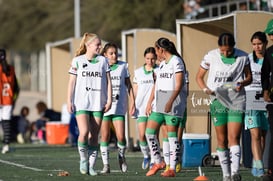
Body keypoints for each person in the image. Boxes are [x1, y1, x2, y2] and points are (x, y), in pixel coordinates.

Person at [196, 32, 252, 181]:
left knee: (234, 137)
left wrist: (242, 83)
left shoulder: (243, 57)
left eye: (228, 50)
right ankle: (226, 174)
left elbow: (249, 77)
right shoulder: (210, 56)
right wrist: (205, 89)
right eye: (222, 50)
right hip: (217, 99)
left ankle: (235, 173)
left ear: (234, 46)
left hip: (236, 99)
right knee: (222, 140)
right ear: (218, 47)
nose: (226, 52)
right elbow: (199, 77)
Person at [67, 33, 112, 176]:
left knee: (94, 136)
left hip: (98, 102)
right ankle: (83, 160)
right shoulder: (77, 61)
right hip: (81, 102)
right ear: (88, 45)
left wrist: (109, 100)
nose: (100, 47)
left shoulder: (103, 61)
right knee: (84, 132)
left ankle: (91, 167)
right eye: (97, 44)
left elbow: (109, 82)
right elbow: (72, 82)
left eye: (100, 44)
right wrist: (69, 100)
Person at [145, 37, 187, 177]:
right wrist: (150, 102)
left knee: (171, 136)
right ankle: (158, 161)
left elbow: (179, 84)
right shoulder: (162, 64)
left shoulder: (177, 61)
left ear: (161, 49)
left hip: (173, 104)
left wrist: (170, 101)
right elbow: (157, 85)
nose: (156, 54)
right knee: (149, 132)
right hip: (159, 105)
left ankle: (172, 168)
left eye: (156, 50)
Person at [99, 43, 135, 174]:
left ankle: (121, 157)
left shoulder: (123, 66)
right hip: (104, 107)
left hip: (118, 106)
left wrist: (133, 102)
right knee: (105, 136)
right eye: (111, 53)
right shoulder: (100, 67)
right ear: (105, 55)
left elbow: (129, 86)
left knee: (121, 137)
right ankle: (106, 165)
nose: (114, 55)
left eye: (115, 53)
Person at [244, 31, 268, 177]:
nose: (257, 47)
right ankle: (258, 164)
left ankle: (258, 160)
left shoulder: (269, 58)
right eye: (254, 44)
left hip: (266, 99)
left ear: (265, 43)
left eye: (259, 44)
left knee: (264, 134)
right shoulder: (247, 59)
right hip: (251, 98)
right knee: (255, 133)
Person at [132, 47, 158, 170]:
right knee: (142, 135)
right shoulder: (138, 72)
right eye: (148, 58)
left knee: (152, 135)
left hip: (154, 107)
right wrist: (132, 104)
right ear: (144, 58)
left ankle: (154, 159)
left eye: (153, 59)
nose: (150, 61)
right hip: (141, 107)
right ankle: (146, 155)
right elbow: (135, 90)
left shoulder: (159, 70)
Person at [0, 49, 20, 154]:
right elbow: (16, 87)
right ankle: (6, 145)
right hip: (7, 99)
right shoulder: (10, 69)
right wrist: (14, 99)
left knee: (3, 122)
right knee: (6, 122)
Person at [261, 19, 273, 181]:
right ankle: (271, 170)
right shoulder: (269, 52)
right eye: (269, 34)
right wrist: (265, 90)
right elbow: (265, 74)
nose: (271, 36)